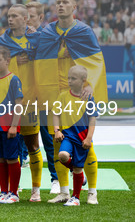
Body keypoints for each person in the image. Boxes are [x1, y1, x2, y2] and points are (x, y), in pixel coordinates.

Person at [36, 0, 105, 205]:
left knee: (87, 145)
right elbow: (38, 58)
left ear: (74, 6)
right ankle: (65, 192)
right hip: (54, 94)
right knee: (57, 146)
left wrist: (90, 84)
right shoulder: (48, 31)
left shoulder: (83, 31)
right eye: (58, 3)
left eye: (65, 2)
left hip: (79, 96)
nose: (61, 6)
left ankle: (91, 191)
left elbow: (96, 61)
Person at [0, 4, 43, 202]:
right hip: (8, 103)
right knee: (9, 149)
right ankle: (10, 190)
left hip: (30, 101)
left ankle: (36, 189)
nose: (10, 19)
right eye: (8, 15)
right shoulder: (1, 41)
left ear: (26, 19)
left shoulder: (36, 39)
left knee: (33, 146)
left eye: (15, 16)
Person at [52, 65, 98, 207]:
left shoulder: (89, 98)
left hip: (82, 137)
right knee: (63, 156)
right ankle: (76, 174)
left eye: (73, 78)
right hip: (67, 135)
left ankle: (76, 197)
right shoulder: (63, 96)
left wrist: (89, 138)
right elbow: (55, 113)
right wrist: (57, 130)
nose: (70, 81)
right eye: (68, 78)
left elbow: (92, 118)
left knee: (79, 167)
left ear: (83, 80)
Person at [26, 1, 59, 194]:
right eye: (25, 16)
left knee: (49, 139)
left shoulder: (47, 37)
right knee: (24, 142)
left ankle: (56, 178)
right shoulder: (17, 37)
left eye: (30, 16)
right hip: (25, 98)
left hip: (44, 96)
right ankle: (20, 183)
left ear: (40, 18)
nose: (27, 20)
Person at [0, 46, 23, 204]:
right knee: (0, 159)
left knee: (12, 159)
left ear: (7, 61)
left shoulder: (14, 79)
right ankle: (4, 191)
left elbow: (19, 104)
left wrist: (14, 126)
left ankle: (14, 193)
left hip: (9, 127)